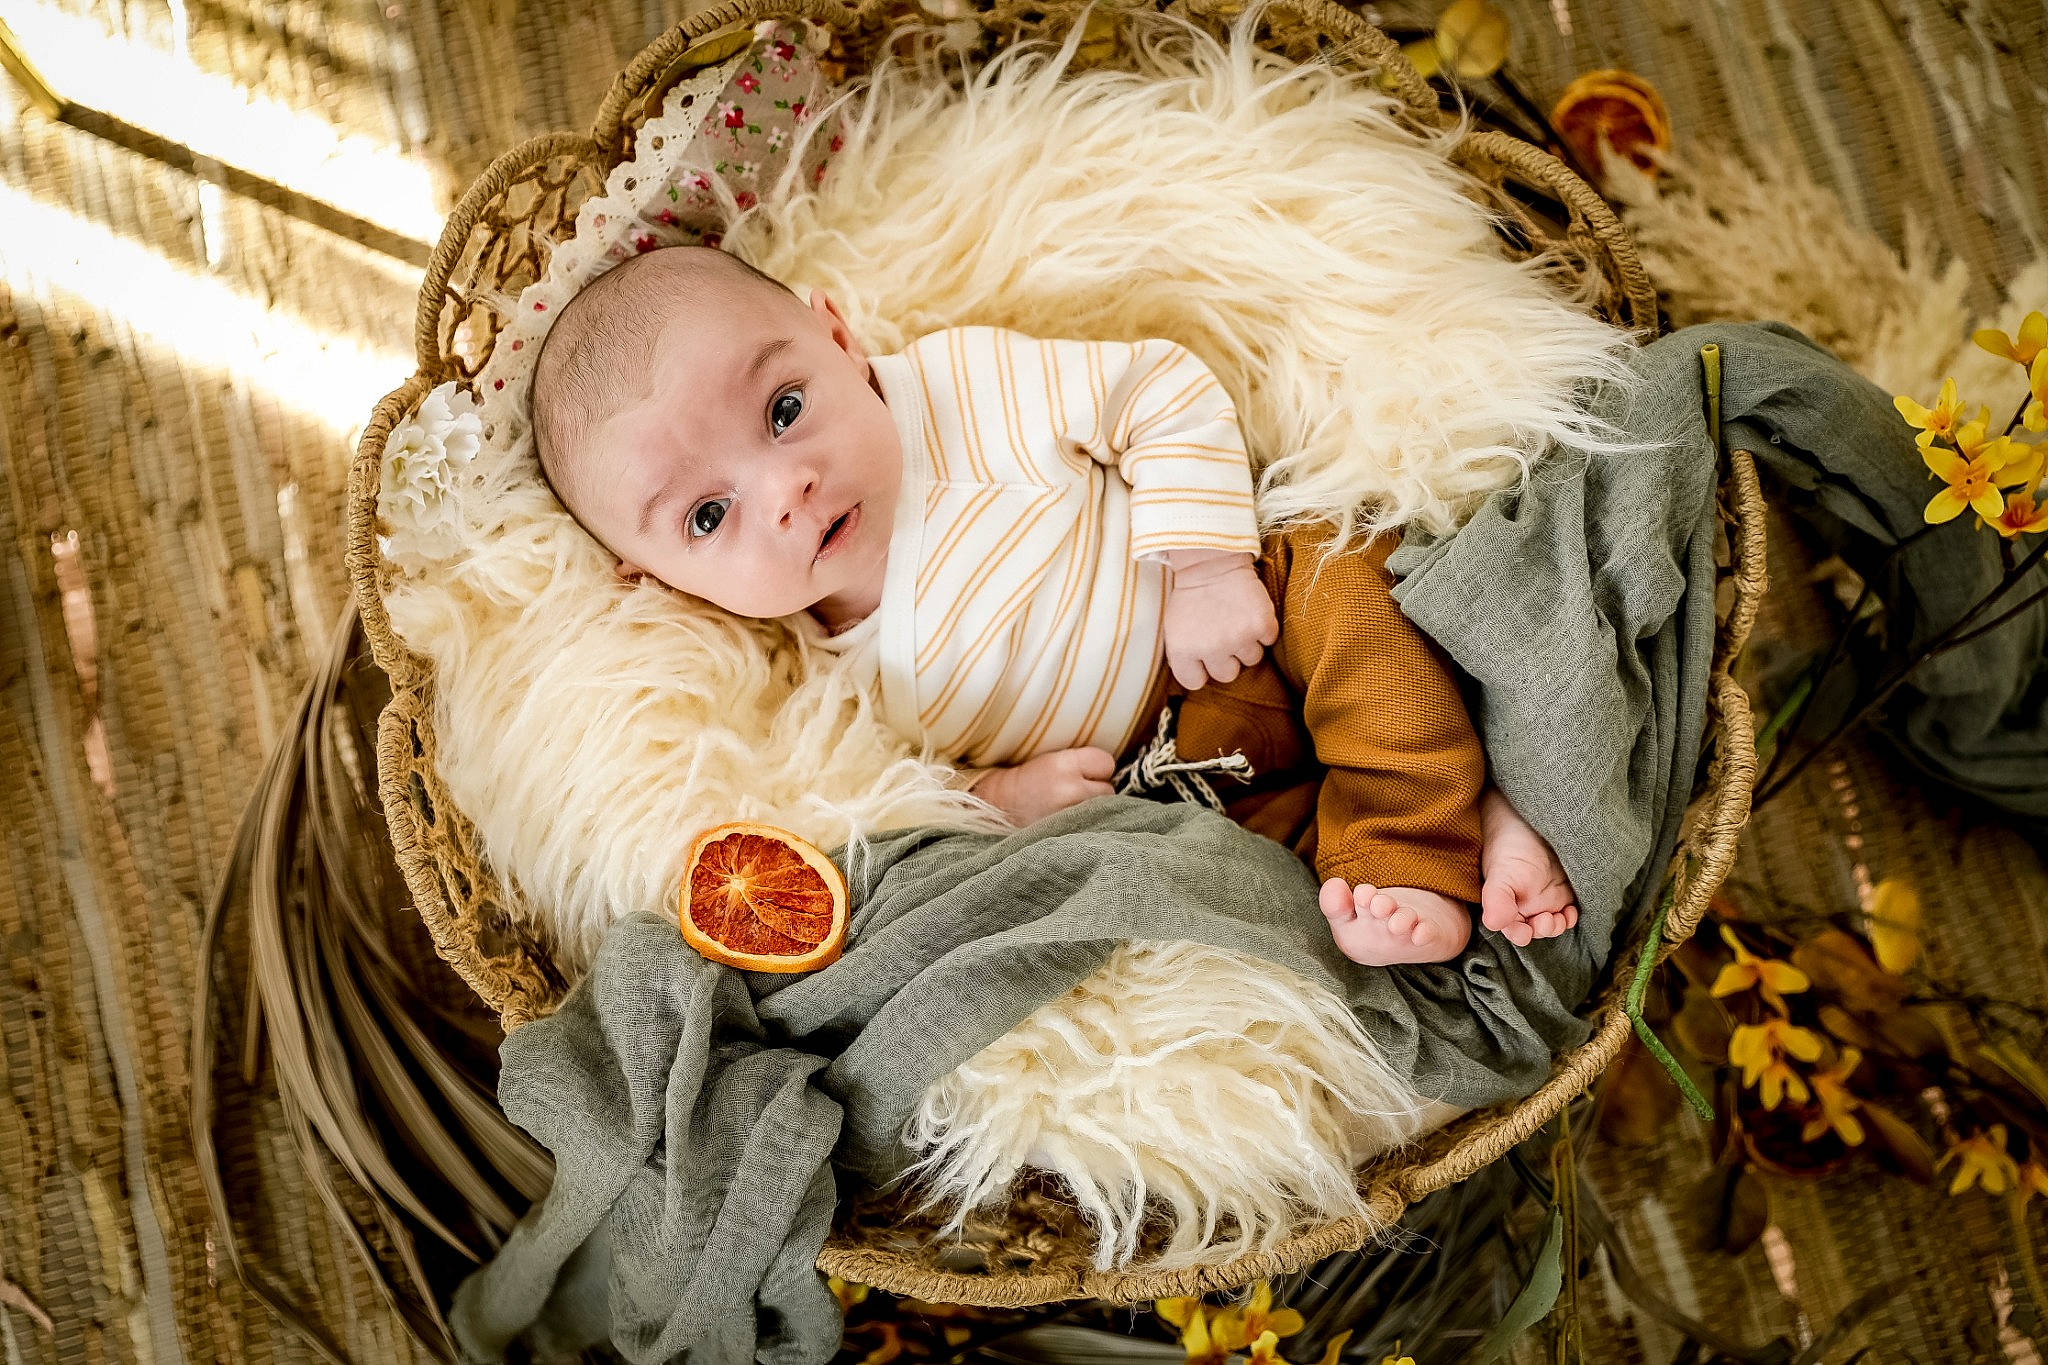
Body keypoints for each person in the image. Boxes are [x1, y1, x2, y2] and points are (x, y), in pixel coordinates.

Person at [528, 246, 1579, 965]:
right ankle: (1454, 842)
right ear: (663, 583)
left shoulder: (960, 391)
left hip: (1251, 613)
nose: (783, 489)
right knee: (1231, 874)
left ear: (837, 338)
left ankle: (1424, 824)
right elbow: (907, 798)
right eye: (709, 516)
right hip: (1169, 778)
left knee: (1349, 591)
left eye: (784, 408)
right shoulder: (809, 682)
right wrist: (1005, 798)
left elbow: (1155, 390)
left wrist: (1202, 565)